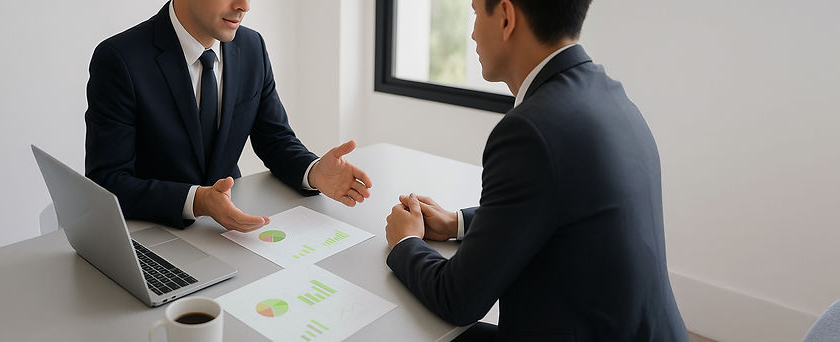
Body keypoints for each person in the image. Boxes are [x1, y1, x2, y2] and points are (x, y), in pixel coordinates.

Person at [383, 0, 687, 340]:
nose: (471, 33)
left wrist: (405, 241)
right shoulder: (609, 95)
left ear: (506, 17)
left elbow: (458, 299)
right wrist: (458, 223)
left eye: (475, 13)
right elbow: (559, 207)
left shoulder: (530, 130)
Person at [84, 0, 372, 232]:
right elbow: (107, 181)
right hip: (151, 233)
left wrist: (313, 172)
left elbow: (275, 139)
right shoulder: (120, 58)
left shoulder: (252, 48)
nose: (245, 6)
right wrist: (199, 201)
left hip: (231, 230)